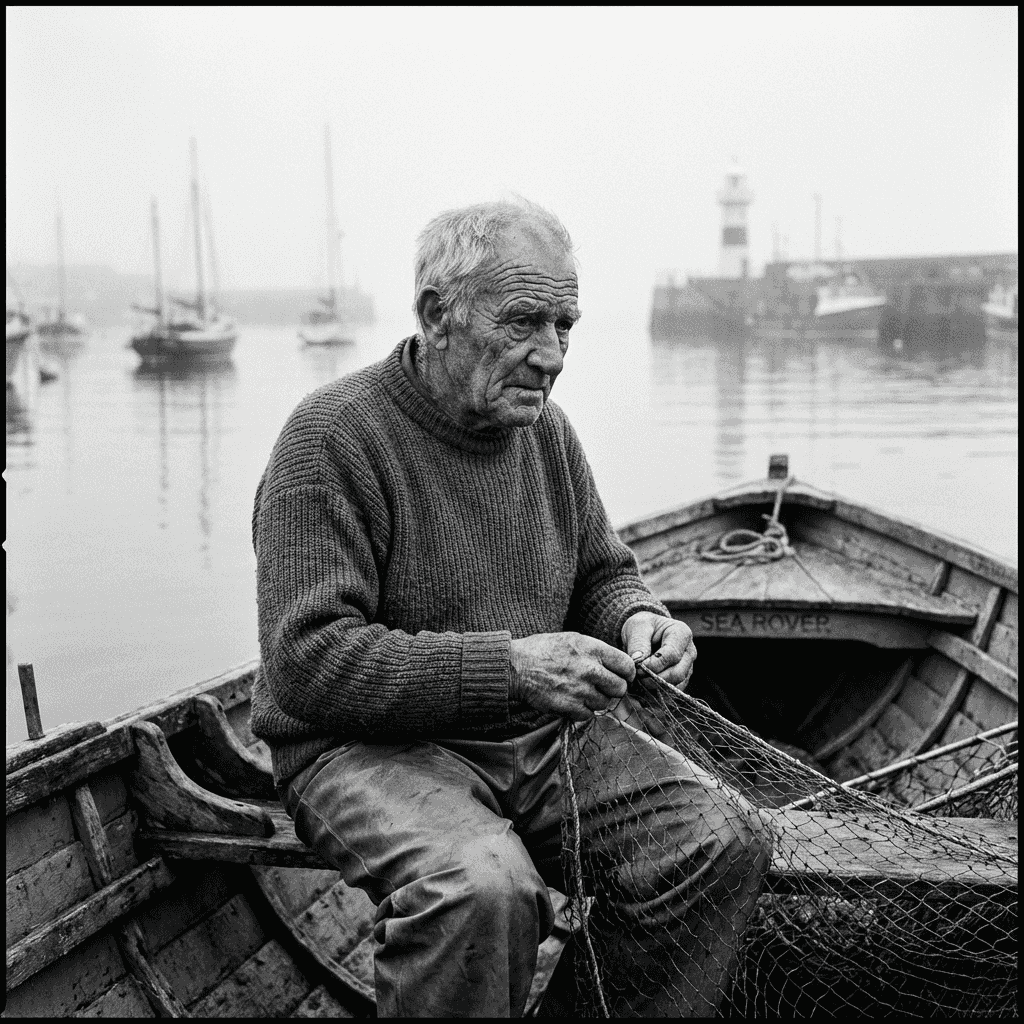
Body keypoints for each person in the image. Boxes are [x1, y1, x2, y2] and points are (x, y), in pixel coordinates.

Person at [250, 199, 768, 1017]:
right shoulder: (331, 438)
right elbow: (309, 664)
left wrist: (639, 618)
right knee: (481, 891)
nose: (553, 355)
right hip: (363, 751)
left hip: (532, 739)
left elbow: (601, 572)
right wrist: (512, 668)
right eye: (526, 321)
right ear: (436, 315)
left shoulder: (547, 434)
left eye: (567, 324)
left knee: (717, 842)